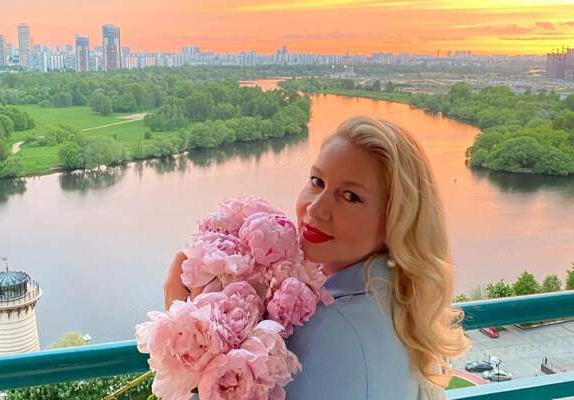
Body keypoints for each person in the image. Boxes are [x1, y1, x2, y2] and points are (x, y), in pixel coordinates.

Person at [164, 116, 470, 399]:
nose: (316, 208)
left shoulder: (327, 329)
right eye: (317, 182)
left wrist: (193, 341)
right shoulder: (397, 301)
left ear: (394, 221)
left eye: (350, 196)